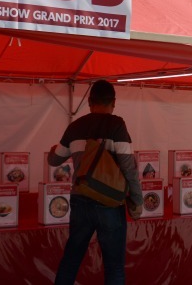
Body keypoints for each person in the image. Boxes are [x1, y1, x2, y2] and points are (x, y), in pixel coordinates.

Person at [48, 79, 143, 285]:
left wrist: (53, 150)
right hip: (109, 202)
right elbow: (129, 168)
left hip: (80, 200)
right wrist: (137, 201)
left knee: (71, 259)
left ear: (89, 102)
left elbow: (54, 160)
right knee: (114, 266)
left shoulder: (75, 126)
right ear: (114, 102)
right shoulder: (117, 125)